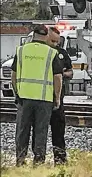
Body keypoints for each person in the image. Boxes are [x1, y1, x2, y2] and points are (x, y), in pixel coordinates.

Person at [11, 24, 63, 166]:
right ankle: (38, 162)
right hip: (44, 99)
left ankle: (20, 161)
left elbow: (13, 75)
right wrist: (57, 97)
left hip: (24, 98)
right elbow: (58, 77)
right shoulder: (51, 53)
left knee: (22, 131)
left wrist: (17, 92)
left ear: (33, 35)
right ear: (46, 36)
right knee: (40, 131)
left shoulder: (21, 51)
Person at [47, 26, 73, 165]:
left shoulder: (62, 53)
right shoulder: (43, 53)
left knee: (58, 131)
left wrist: (60, 74)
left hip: (58, 98)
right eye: (52, 41)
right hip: (42, 97)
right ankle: (38, 159)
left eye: (57, 42)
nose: (55, 44)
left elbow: (70, 72)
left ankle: (60, 159)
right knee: (39, 131)